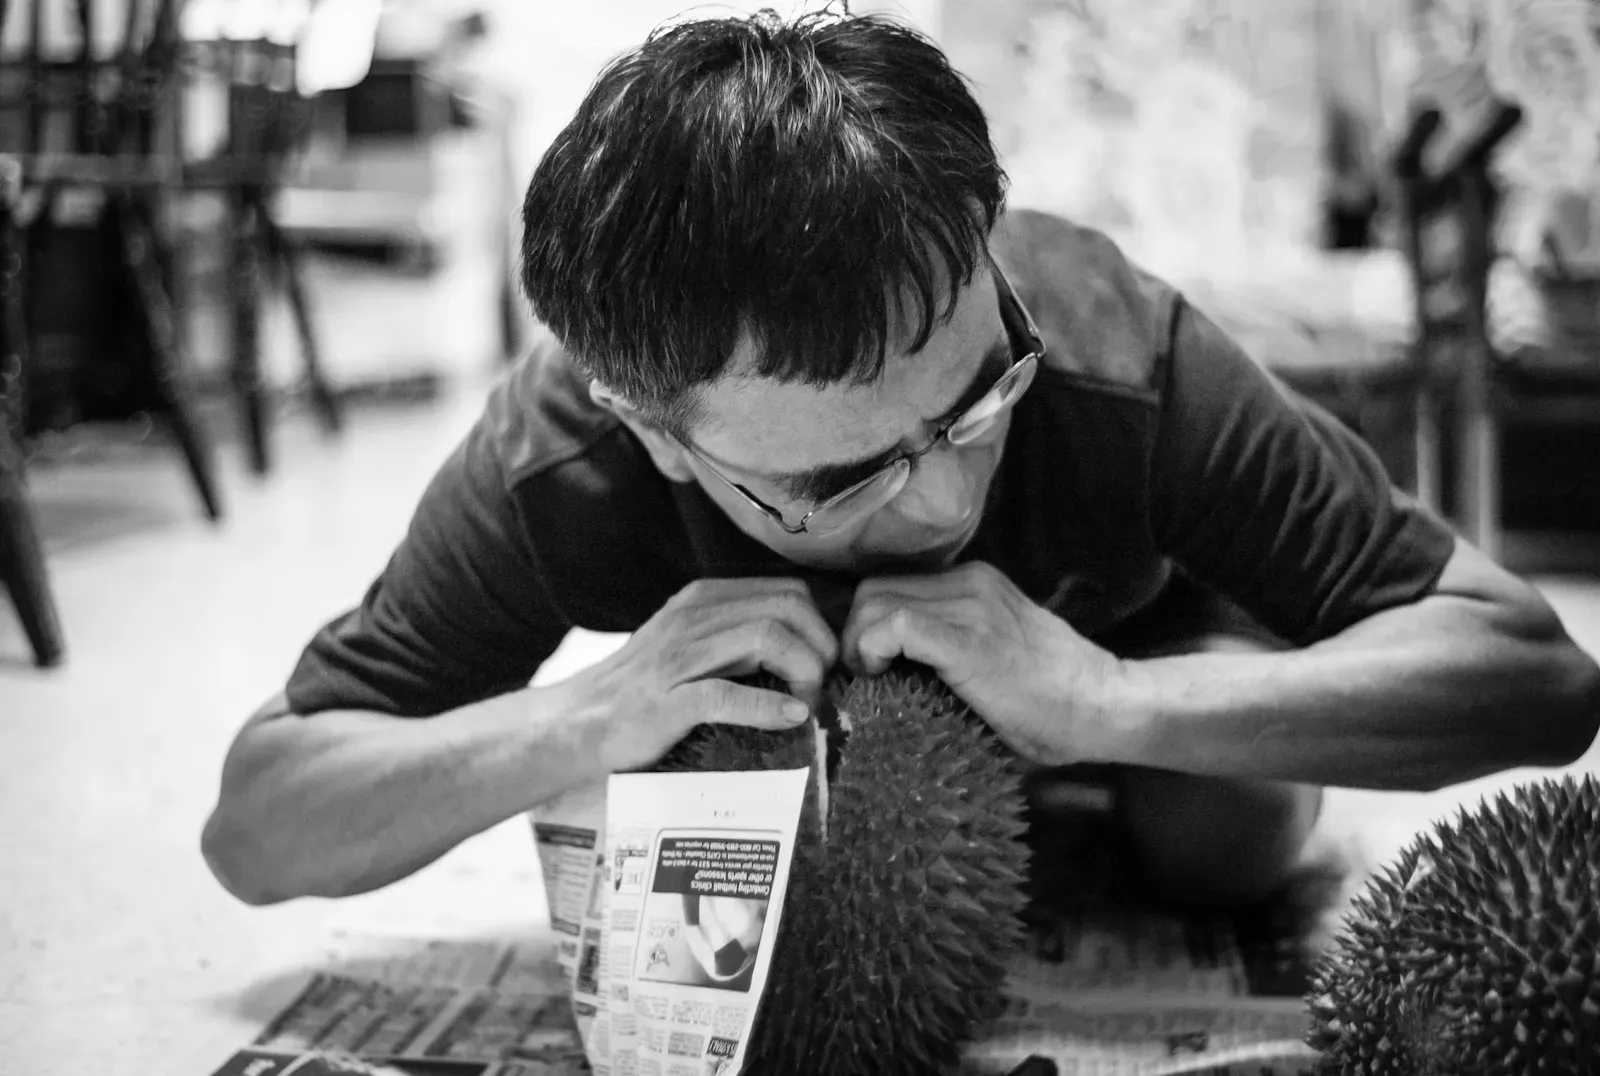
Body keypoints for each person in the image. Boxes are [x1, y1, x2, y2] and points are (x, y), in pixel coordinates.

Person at [202, 8, 1600, 910]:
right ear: (656, 436)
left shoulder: (1121, 349)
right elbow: (258, 824)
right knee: (672, 798)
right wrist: (595, 710)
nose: (943, 496)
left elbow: (1536, 676)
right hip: (832, 794)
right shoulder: (561, 453)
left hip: (1139, 692)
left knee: (1217, 836)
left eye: (979, 399)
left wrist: (1104, 698)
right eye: (839, 478)